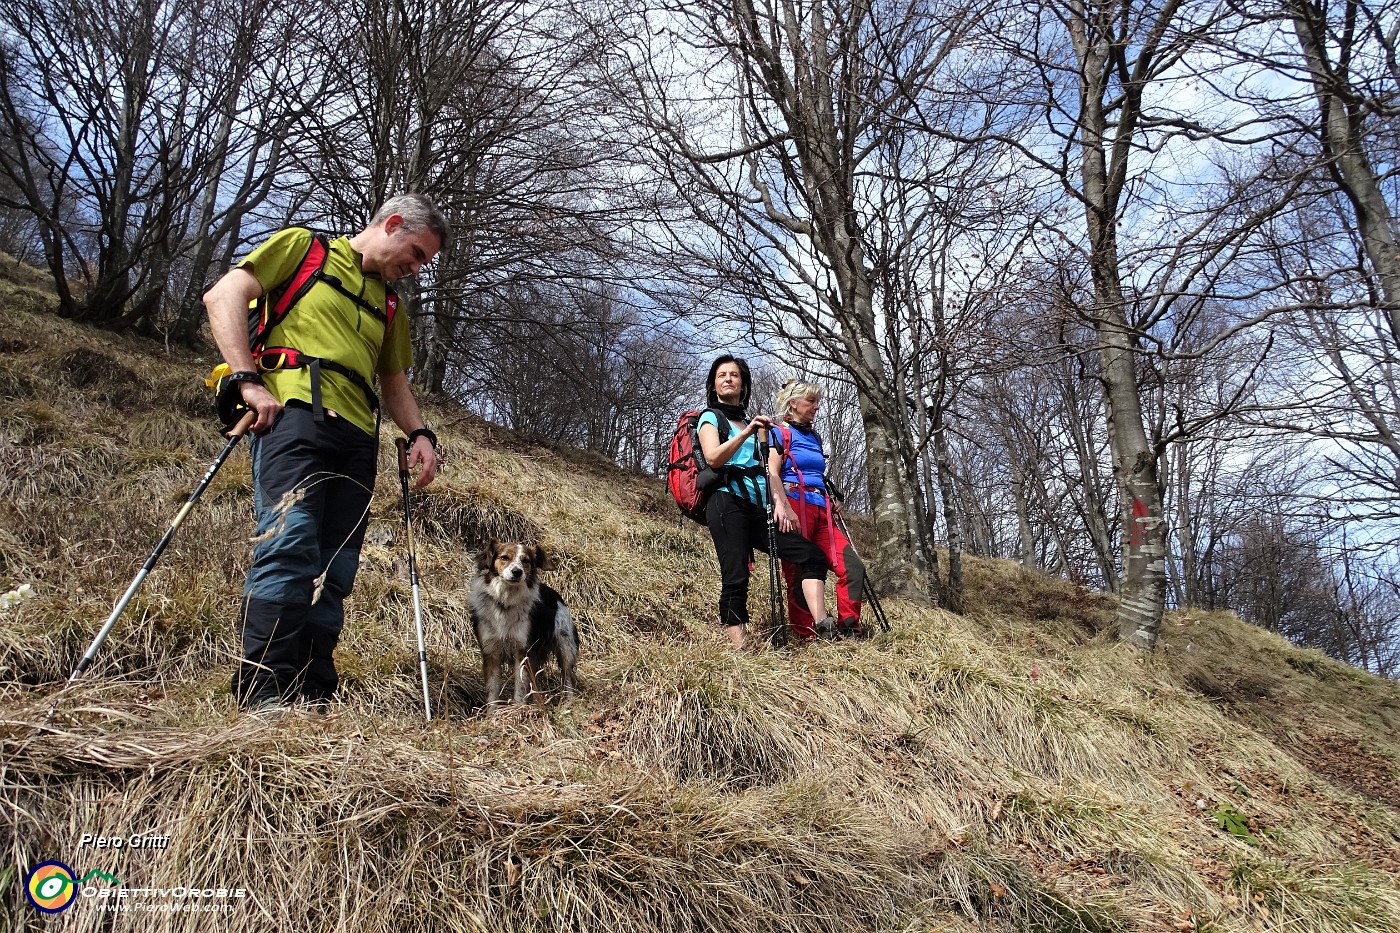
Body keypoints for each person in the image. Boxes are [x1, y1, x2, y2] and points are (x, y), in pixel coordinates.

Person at [203, 193, 449, 712]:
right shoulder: (304, 249)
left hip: (358, 437)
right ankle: (263, 691)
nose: (416, 268)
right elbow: (224, 294)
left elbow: (394, 381)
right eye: (417, 253)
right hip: (294, 416)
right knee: (290, 545)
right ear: (394, 224)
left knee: (336, 569)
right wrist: (248, 380)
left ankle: (312, 691)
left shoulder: (389, 305)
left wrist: (421, 435)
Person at [698, 355, 830, 647]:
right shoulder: (710, 418)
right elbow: (713, 458)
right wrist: (746, 432)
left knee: (812, 556)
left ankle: (822, 625)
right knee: (736, 574)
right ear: (714, 384)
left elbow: (768, 469)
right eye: (722, 375)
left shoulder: (752, 423)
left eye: (734, 375)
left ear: (743, 385)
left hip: (759, 506)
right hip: (726, 502)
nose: (729, 379)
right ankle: (739, 648)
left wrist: (781, 504)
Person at [772, 377, 868, 640]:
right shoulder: (779, 432)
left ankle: (849, 628)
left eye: (818, 401)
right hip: (794, 505)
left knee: (852, 566)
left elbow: (816, 473)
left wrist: (830, 496)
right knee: (798, 571)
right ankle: (808, 636)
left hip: (821, 509)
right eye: (811, 401)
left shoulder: (814, 436)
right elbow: (772, 473)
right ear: (793, 403)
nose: (816, 407)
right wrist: (782, 507)